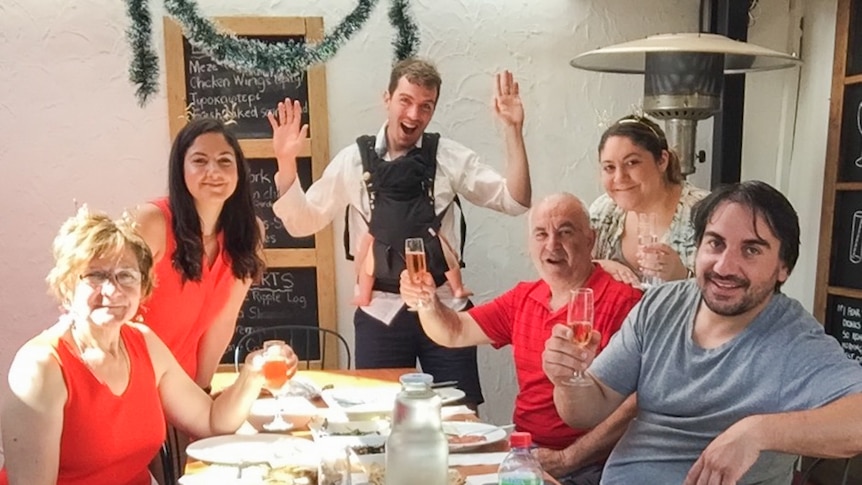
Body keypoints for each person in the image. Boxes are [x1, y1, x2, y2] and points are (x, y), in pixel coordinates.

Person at [543, 181, 862, 485]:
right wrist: (569, 377)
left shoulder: (793, 339)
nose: (725, 266)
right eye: (715, 243)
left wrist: (757, 432)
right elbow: (587, 410)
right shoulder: (660, 304)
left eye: (751, 250)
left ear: (783, 268)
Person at [268, 58, 531, 408]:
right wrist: (286, 163)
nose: (414, 114)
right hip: (379, 311)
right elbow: (302, 222)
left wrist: (513, 131)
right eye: (405, 100)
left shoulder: (447, 157)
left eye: (426, 106)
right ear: (387, 98)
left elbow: (515, 200)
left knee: (459, 417)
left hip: (445, 308)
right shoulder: (353, 161)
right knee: (379, 417)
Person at [0, 207, 290, 485]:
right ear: (66, 286)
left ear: (143, 288)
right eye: (96, 275)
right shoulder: (41, 368)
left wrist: (252, 374)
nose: (112, 290)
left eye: (126, 275)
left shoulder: (143, 343)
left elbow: (213, 421)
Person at [400, 193, 642, 484]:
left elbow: (639, 403)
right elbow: (453, 331)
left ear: (590, 239)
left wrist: (569, 458)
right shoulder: (525, 297)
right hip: (525, 454)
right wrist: (427, 303)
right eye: (541, 234)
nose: (552, 245)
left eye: (565, 232)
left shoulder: (625, 301)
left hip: (591, 464)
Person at [133, 117, 265, 484]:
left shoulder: (248, 232)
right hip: (136, 389)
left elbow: (223, 321)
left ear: (239, 171)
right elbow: (117, 309)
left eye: (225, 161)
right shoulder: (152, 221)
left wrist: (201, 394)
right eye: (200, 160)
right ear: (180, 167)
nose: (213, 171)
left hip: (185, 391)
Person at [590, 115, 708, 287]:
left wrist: (683, 276)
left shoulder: (707, 213)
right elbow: (574, 277)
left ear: (662, 161)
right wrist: (600, 266)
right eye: (609, 167)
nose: (620, 177)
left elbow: (734, 298)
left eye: (632, 163)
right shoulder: (603, 211)